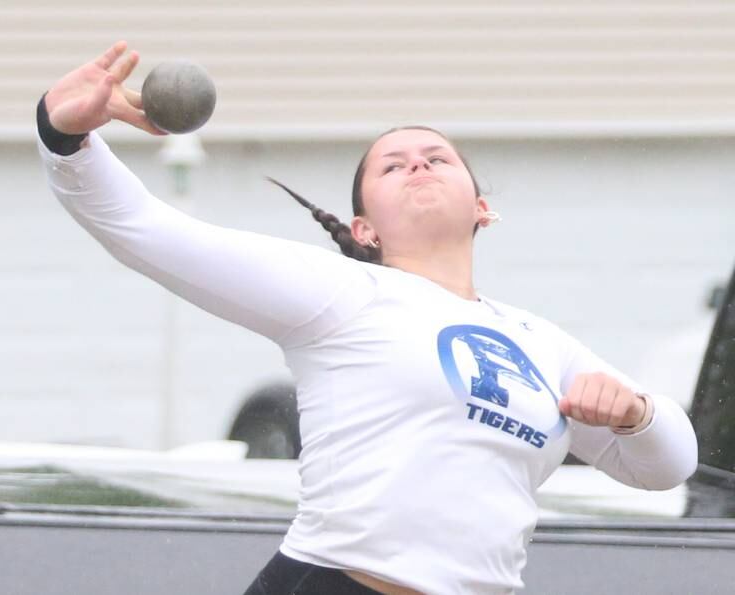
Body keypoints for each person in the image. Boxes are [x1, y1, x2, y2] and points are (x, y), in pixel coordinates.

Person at [37, 42, 698, 595]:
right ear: (364, 227)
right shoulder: (342, 293)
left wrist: (638, 413)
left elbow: (666, 466)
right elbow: (146, 230)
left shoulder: (541, 342)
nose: (418, 161)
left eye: (438, 157)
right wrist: (63, 135)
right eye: (392, 163)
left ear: (482, 210)